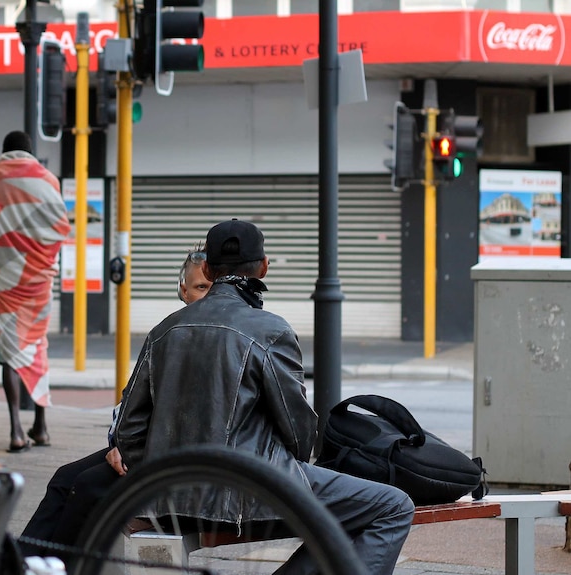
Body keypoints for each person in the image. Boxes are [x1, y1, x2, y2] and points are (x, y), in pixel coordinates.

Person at [112, 219, 414, 575]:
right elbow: (299, 432)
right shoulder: (270, 330)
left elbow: (129, 430)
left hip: (169, 496)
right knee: (393, 506)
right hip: (253, 492)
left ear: (207, 268)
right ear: (264, 266)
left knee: (349, 513)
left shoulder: (163, 331)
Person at [19, 248, 210, 554]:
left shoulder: (207, 335)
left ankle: (61, 566)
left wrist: (128, 446)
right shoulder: (168, 333)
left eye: (213, 288)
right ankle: (21, 562)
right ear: (183, 291)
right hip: (153, 448)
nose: (208, 296)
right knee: (64, 478)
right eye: (201, 287)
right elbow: (133, 398)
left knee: (87, 486)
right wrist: (121, 443)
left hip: (181, 458)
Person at [0, 131, 70, 453]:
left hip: (3, 279)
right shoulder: (47, 179)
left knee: (9, 352)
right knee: (36, 347)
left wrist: (4, 252)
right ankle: (42, 426)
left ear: (4, 152)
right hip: (37, 280)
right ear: (30, 152)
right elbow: (61, 226)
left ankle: (17, 431)